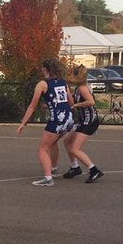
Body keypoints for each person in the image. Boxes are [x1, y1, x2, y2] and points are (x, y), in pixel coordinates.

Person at [16, 58, 75, 186]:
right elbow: (70, 102)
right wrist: (50, 104)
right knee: (53, 143)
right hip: (69, 118)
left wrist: (23, 123)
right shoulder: (63, 82)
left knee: (43, 149)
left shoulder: (42, 84)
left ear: (45, 69)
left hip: (57, 120)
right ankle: (53, 168)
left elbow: (32, 106)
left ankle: (48, 178)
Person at [63, 65, 104, 183]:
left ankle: (94, 170)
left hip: (89, 120)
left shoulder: (82, 88)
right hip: (83, 120)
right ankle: (75, 167)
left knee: (74, 148)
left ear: (77, 76)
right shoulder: (78, 88)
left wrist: (76, 105)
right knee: (67, 141)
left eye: (72, 74)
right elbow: (71, 101)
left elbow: (91, 102)